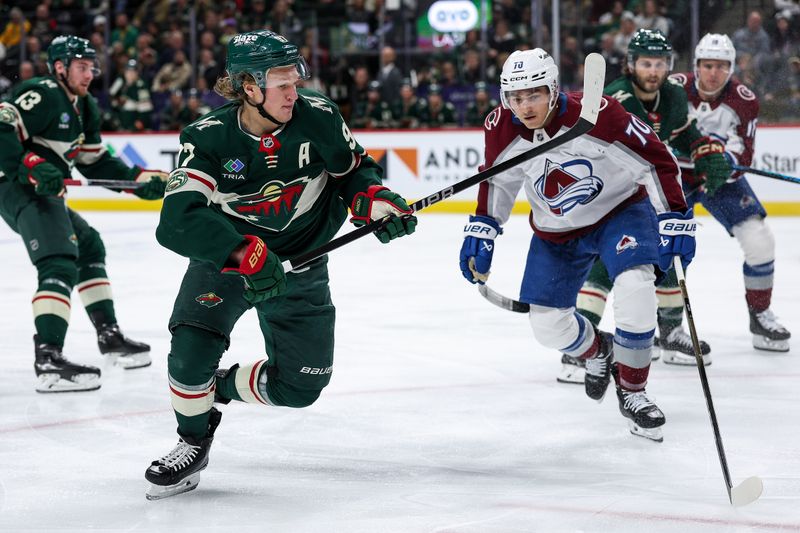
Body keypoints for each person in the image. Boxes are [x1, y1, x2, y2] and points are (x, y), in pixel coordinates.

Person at [144, 30, 417, 500]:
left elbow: (352, 171)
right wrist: (244, 254)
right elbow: (176, 221)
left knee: (301, 386)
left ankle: (218, 388)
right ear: (248, 86)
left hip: (303, 263)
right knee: (188, 356)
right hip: (229, 263)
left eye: (295, 80)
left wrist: (372, 199)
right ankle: (193, 439)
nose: (294, 92)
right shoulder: (209, 138)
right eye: (281, 83)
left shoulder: (320, 116)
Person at [459, 48, 694, 442]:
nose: (524, 105)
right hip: (557, 233)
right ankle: (598, 351)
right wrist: (483, 228)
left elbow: (655, 159)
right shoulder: (501, 126)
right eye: (515, 97)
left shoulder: (600, 113)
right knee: (547, 327)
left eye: (533, 94)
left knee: (636, 286)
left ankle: (633, 390)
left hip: (620, 212)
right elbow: (498, 179)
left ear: (552, 89)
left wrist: (675, 217)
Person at [561, 29, 731, 382]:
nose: (653, 71)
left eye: (659, 64)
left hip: (647, 190)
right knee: (608, 265)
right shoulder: (618, 96)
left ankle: (668, 333)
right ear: (630, 65)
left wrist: (705, 150)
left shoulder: (670, 94)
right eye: (645, 63)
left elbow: (682, 132)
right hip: (610, 193)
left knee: (668, 253)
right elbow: (643, 145)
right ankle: (578, 349)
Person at [0, 35, 168, 392]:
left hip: (45, 191)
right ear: (59, 67)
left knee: (89, 246)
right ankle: (48, 359)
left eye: (92, 66)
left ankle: (109, 336)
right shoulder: (42, 92)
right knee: (58, 261)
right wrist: (29, 163)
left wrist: (138, 181)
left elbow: (95, 161)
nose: (89, 73)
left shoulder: (86, 106)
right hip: (15, 186)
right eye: (81, 66)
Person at [671, 33, 791, 352]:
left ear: (732, 68)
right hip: (673, 178)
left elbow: (744, 153)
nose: (713, 73)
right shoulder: (672, 88)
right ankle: (666, 327)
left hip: (718, 180)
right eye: (707, 65)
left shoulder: (744, 100)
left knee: (759, 240)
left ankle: (760, 315)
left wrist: (727, 162)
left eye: (722, 66)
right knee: (666, 251)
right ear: (696, 65)